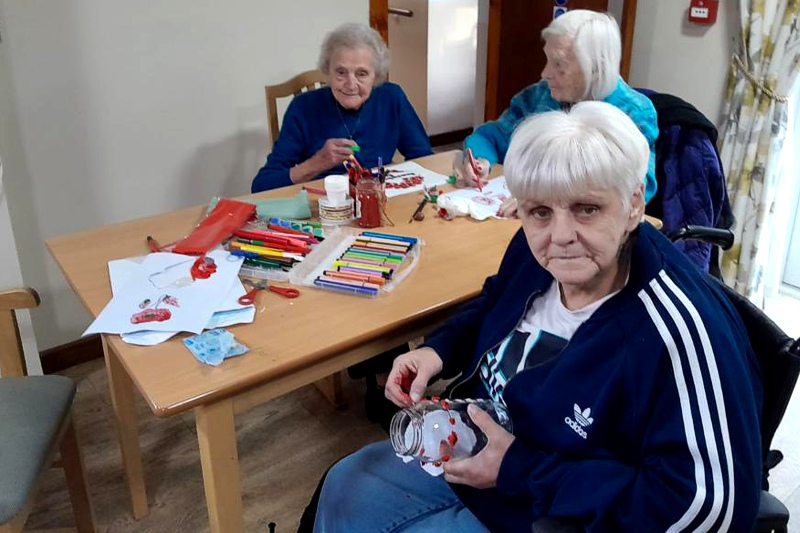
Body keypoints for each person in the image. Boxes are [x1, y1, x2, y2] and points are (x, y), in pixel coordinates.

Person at [311, 102, 762, 531]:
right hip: (483, 446)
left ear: (634, 205)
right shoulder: (535, 253)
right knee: (346, 483)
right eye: (540, 212)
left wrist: (519, 469)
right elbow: (494, 303)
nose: (561, 236)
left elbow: (711, 514)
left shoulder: (679, 332)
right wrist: (438, 351)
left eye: (587, 208)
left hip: (555, 506)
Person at [454, 10, 659, 216]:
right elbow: (490, 136)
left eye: (558, 64)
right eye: (547, 60)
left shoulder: (634, 112)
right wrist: (480, 161)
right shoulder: (538, 97)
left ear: (596, 68)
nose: (545, 73)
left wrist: (543, 198)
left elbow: (637, 186)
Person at [251, 22, 433, 192]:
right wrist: (316, 163)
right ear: (327, 73)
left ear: (376, 76)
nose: (350, 84)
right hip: (323, 205)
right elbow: (262, 186)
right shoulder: (303, 108)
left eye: (361, 73)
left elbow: (424, 158)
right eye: (341, 72)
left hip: (378, 200)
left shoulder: (391, 97)